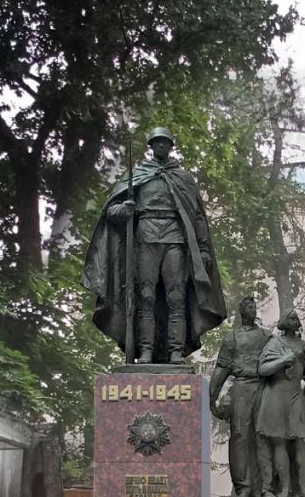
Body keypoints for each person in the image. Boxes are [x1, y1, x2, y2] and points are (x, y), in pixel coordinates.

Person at [82, 126, 226, 364]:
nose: (161, 145)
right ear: (151, 146)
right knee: (145, 297)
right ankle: (146, 351)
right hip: (145, 238)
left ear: (170, 146)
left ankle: (176, 351)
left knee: (176, 297)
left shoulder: (183, 178)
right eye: (157, 141)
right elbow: (111, 212)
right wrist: (124, 209)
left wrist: (203, 249)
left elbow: (197, 217)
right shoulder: (137, 175)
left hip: (175, 239)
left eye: (165, 141)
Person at [209, 296, 270, 497]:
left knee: (264, 436)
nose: (253, 309)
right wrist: (212, 397)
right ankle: (243, 486)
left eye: (255, 306)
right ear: (242, 312)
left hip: (263, 388)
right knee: (240, 436)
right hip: (241, 388)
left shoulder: (266, 336)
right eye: (249, 307)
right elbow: (221, 369)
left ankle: (266, 486)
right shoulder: (232, 338)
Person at [256, 309, 305, 497]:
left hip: (296, 394)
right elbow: (263, 369)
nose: (295, 320)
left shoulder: (304, 346)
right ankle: (284, 488)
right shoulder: (274, 343)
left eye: (296, 318)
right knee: (279, 442)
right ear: (284, 321)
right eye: (291, 318)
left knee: (301, 440)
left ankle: (304, 488)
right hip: (275, 395)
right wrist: (283, 360)